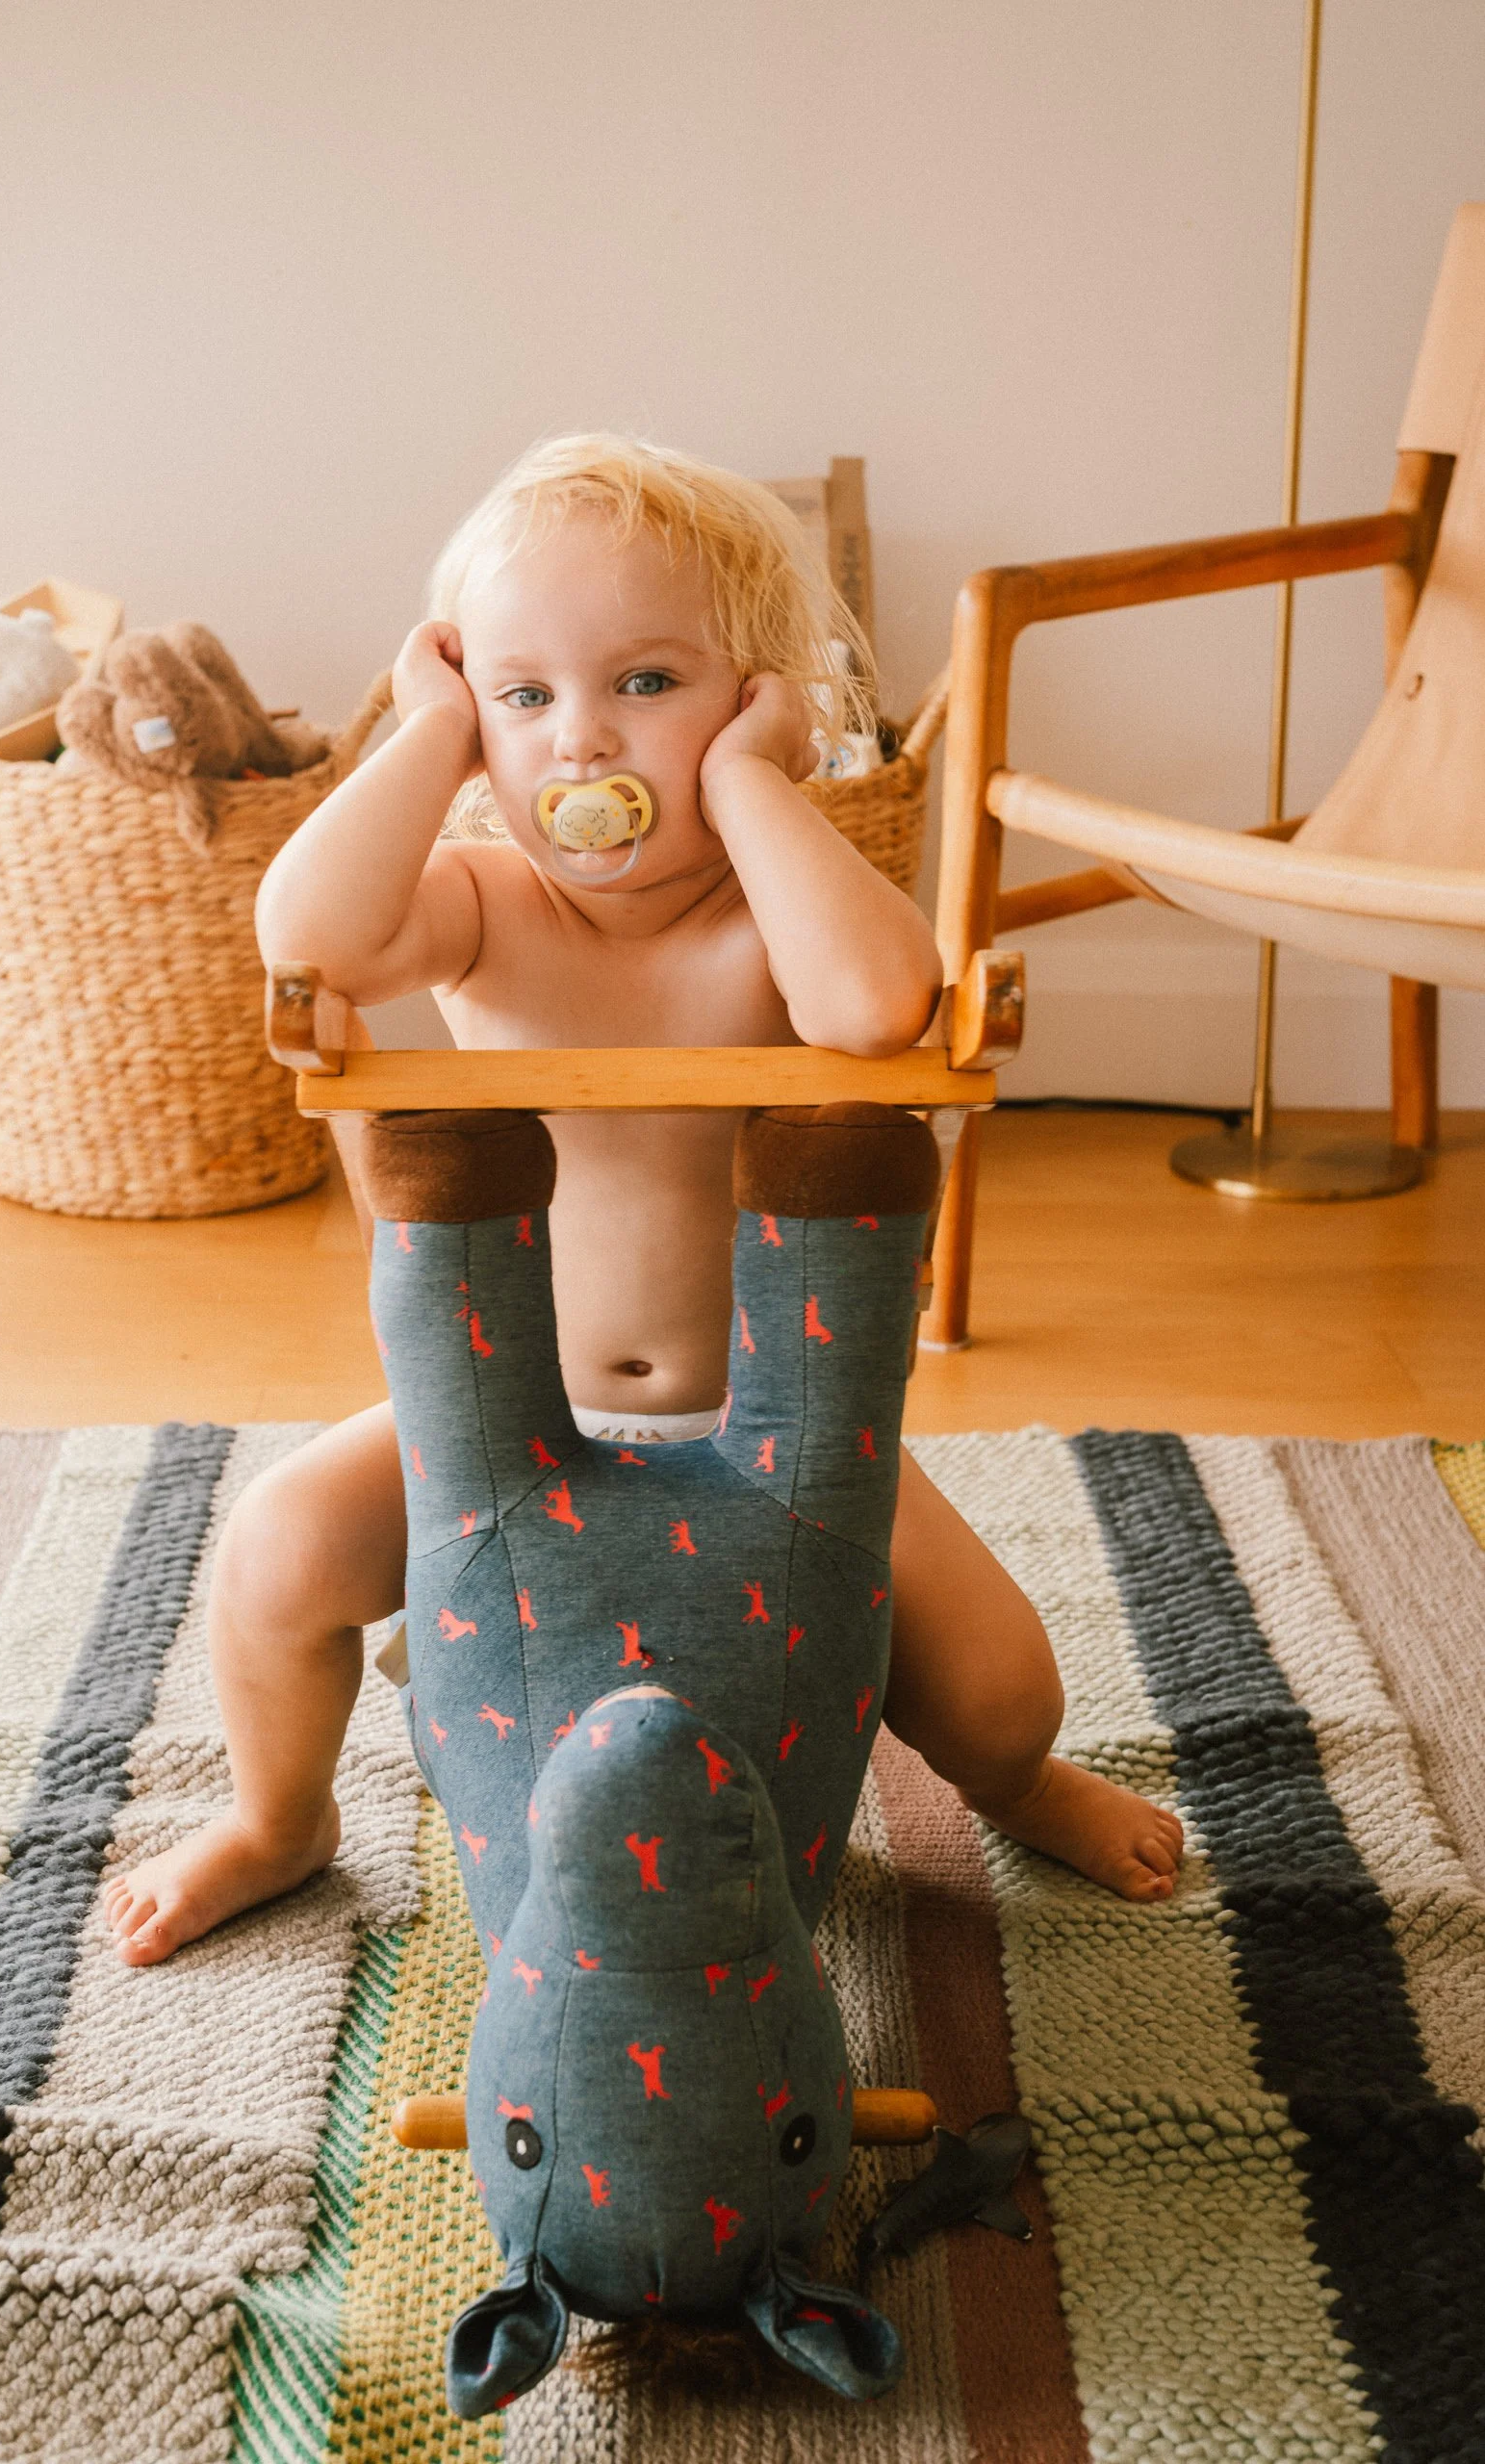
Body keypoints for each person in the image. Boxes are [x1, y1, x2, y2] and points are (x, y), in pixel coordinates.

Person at [102, 435, 1182, 1965]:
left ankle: (1014, 1787)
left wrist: (749, 790)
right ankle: (279, 1819)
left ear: (758, 698)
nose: (580, 744)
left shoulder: (771, 924)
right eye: (525, 697)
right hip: (509, 1431)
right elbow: (310, 935)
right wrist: (428, 740)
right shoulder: (488, 906)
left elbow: (880, 1008)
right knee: (276, 1550)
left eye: (650, 688)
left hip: (776, 1436)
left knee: (1005, 1684)